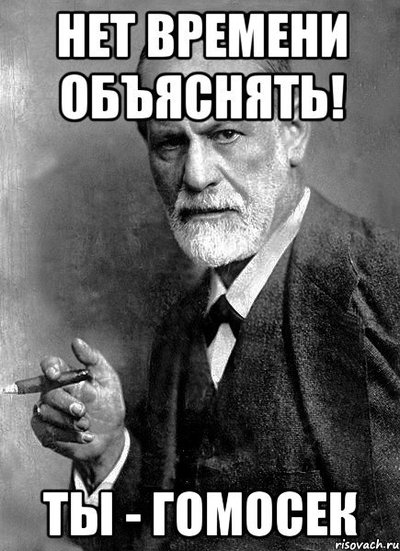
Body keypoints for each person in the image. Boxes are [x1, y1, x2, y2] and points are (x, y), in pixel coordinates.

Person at [31, 43, 400, 550]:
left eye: (225, 133)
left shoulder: (385, 285)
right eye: (169, 143)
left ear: (292, 131)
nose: (196, 175)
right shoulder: (179, 328)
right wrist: (108, 453)